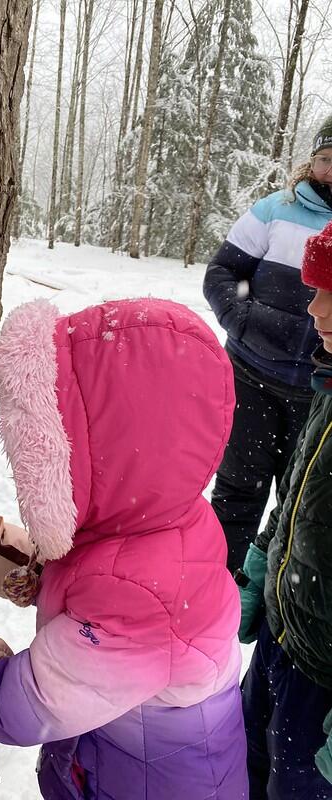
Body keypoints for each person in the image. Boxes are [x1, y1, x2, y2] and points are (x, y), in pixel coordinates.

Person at [0, 297, 249, 799]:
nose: (27, 473)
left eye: (46, 457)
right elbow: (88, 580)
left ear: (106, 462)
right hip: (112, 766)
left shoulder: (149, 599)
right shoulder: (153, 519)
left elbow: (29, 701)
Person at [203, 114, 332, 572]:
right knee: (236, 489)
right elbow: (222, 272)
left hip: (320, 393)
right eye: (324, 159)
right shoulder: (275, 209)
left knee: (297, 505)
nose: (331, 170)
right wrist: (242, 320)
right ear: (311, 161)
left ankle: (268, 596)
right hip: (250, 376)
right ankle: (212, 587)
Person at [235, 219, 332, 799]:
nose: (313, 308)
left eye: (331, 294)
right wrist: (261, 566)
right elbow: (295, 489)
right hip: (282, 632)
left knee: (293, 788)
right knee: (246, 762)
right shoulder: (327, 384)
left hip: (323, 684)